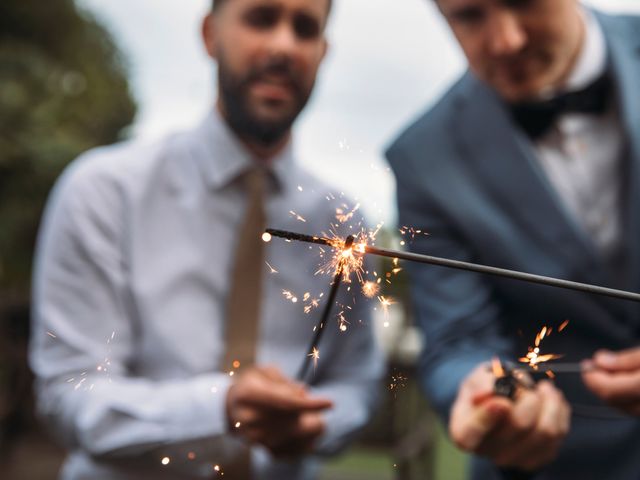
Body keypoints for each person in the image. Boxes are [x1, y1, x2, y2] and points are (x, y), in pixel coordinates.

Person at [29, 0, 383, 478]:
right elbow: (71, 392)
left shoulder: (343, 226)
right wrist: (221, 406)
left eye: (304, 28)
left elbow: (356, 383)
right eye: (261, 18)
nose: (283, 45)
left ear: (323, 51)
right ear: (209, 34)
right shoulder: (104, 193)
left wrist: (320, 422)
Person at [386, 0, 640, 478]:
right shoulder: (422, 158)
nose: (505, 41)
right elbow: (458, 338)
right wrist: (484, 393)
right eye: (468, 16)